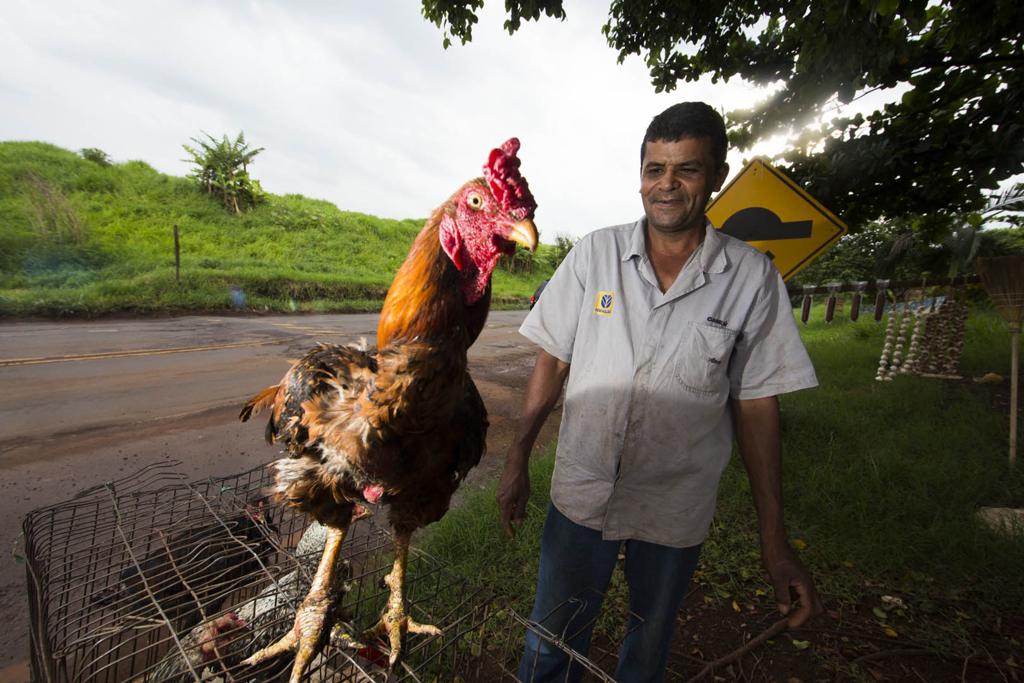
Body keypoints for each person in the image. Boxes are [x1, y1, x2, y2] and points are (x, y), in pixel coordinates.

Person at [497, 101, 824, 682]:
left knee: (647, 653)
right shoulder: (595, 255)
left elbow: (756, 406)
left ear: (717, 177)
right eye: (655, 169)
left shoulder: (751, 279)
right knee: (550, 644)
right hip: (582, 493)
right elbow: (552, 362)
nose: (666, 185)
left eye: (687, 170)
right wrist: (517, 459)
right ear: (641, 174)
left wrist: (774, 538)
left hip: (676, 506)